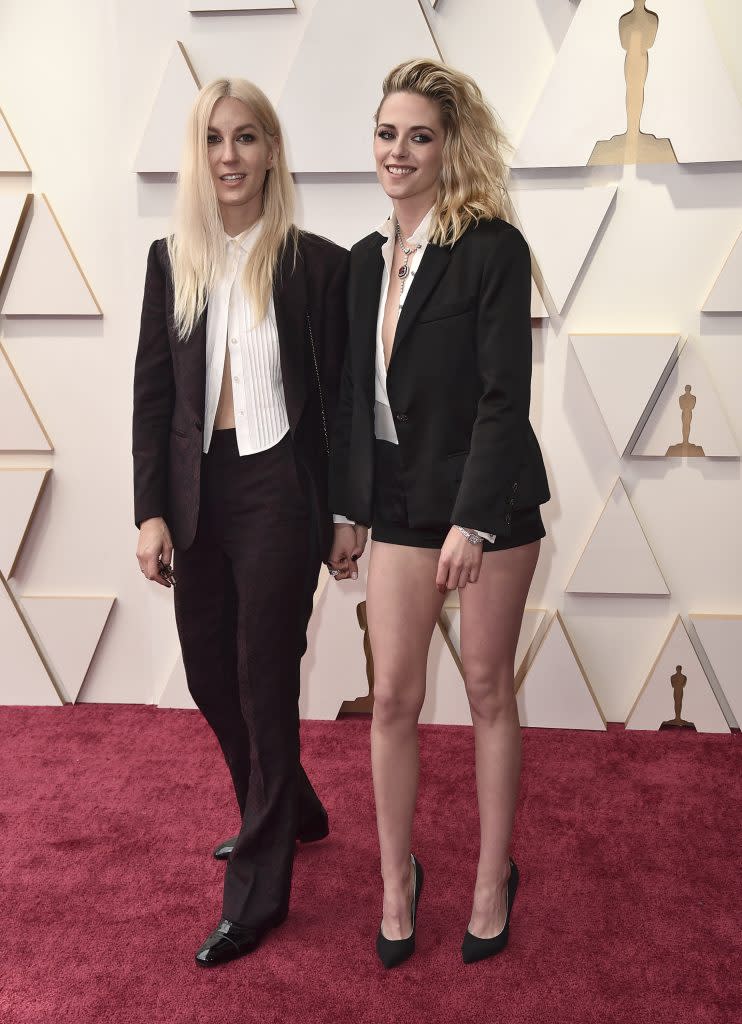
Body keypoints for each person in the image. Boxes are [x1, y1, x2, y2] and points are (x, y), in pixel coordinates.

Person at [328, 58, 550, 968]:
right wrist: (348, 509)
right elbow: (354, 396)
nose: (399, 151)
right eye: (387, 134)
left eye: (419, 136)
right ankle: (396, 880)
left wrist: (474, 521)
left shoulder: (493, 248)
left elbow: (506, 399)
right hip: (397, 503)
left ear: (449, 146)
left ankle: (494, 879)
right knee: (395, 701)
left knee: (489, 688)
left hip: (488, 503)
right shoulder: (363, 262)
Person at [133, 78, 348, 967]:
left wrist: (348, 512)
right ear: (200, 153)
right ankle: (288, 806)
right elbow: (151, 394)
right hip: (197, 493)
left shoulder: (314, 264)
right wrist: (150, 510)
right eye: (216, 139)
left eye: (247, 138)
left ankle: (256, 891)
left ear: (271, 152)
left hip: (280, 490)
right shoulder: (169, 259)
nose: (230, 155)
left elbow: (338, 402)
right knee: (210, 674)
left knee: (265, 676)